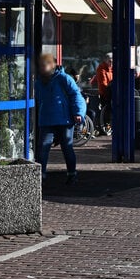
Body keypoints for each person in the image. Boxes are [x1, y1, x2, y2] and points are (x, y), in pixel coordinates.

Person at [35, 53, 85, 184]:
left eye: (44, 65)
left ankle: (71, 174)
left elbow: (76, 96)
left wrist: (78, 113)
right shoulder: (39, 81)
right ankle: (42, 175)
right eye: (40, 65)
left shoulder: (64, 78)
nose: (42, 68)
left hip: (64, 119)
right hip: (48, 118)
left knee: (66, 147)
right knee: (44, 147)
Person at [94, 52, 113, 128]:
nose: (111, 63)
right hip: (105, 93)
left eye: (112, 61)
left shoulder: (112, 68)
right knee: (106, 110)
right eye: (110, 61)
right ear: (106, 60)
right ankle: (105, 125)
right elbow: (103, 84)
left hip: (111, 92)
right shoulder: (101, 69)